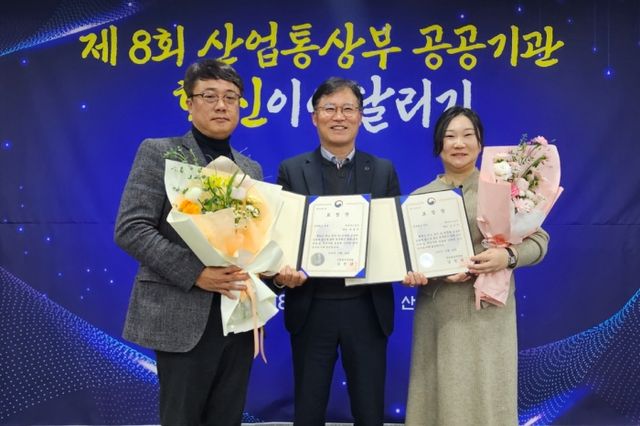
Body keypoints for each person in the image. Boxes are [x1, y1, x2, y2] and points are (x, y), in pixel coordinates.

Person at [114, 58, 262, 426]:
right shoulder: (159, 152)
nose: (221, 105)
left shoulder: (251, 170)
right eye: (209, 96)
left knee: (227, 418)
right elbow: (131, 228)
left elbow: (254, 241)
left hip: (237, 317)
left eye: (231, 97)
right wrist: (196, 273)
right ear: (189, 103)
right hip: (181, 313)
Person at [402, 106, 550, 425]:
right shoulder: (419, 199)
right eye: (450, 136)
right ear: (439, 145)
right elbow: (408, 258)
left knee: (488, 396)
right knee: (439, 397)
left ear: (480, 144)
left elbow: (539, 241)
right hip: (439, 316)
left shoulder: (506, 188)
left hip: (490, 316)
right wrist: (415, 273)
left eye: (468, 135)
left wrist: (507, 257)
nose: (459, 143)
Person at [274, 77, 401, 426]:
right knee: (308, 411)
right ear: (315, 117)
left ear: (360, 117)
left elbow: (393, 237)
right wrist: (282, 270)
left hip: (367, 309)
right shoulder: (291, 170)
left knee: (370, 412)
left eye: (348, 108)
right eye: (329, 108)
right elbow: (282, 236)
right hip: (312, 307)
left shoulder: (383, 170)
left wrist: (406, 263)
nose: (339, 116)